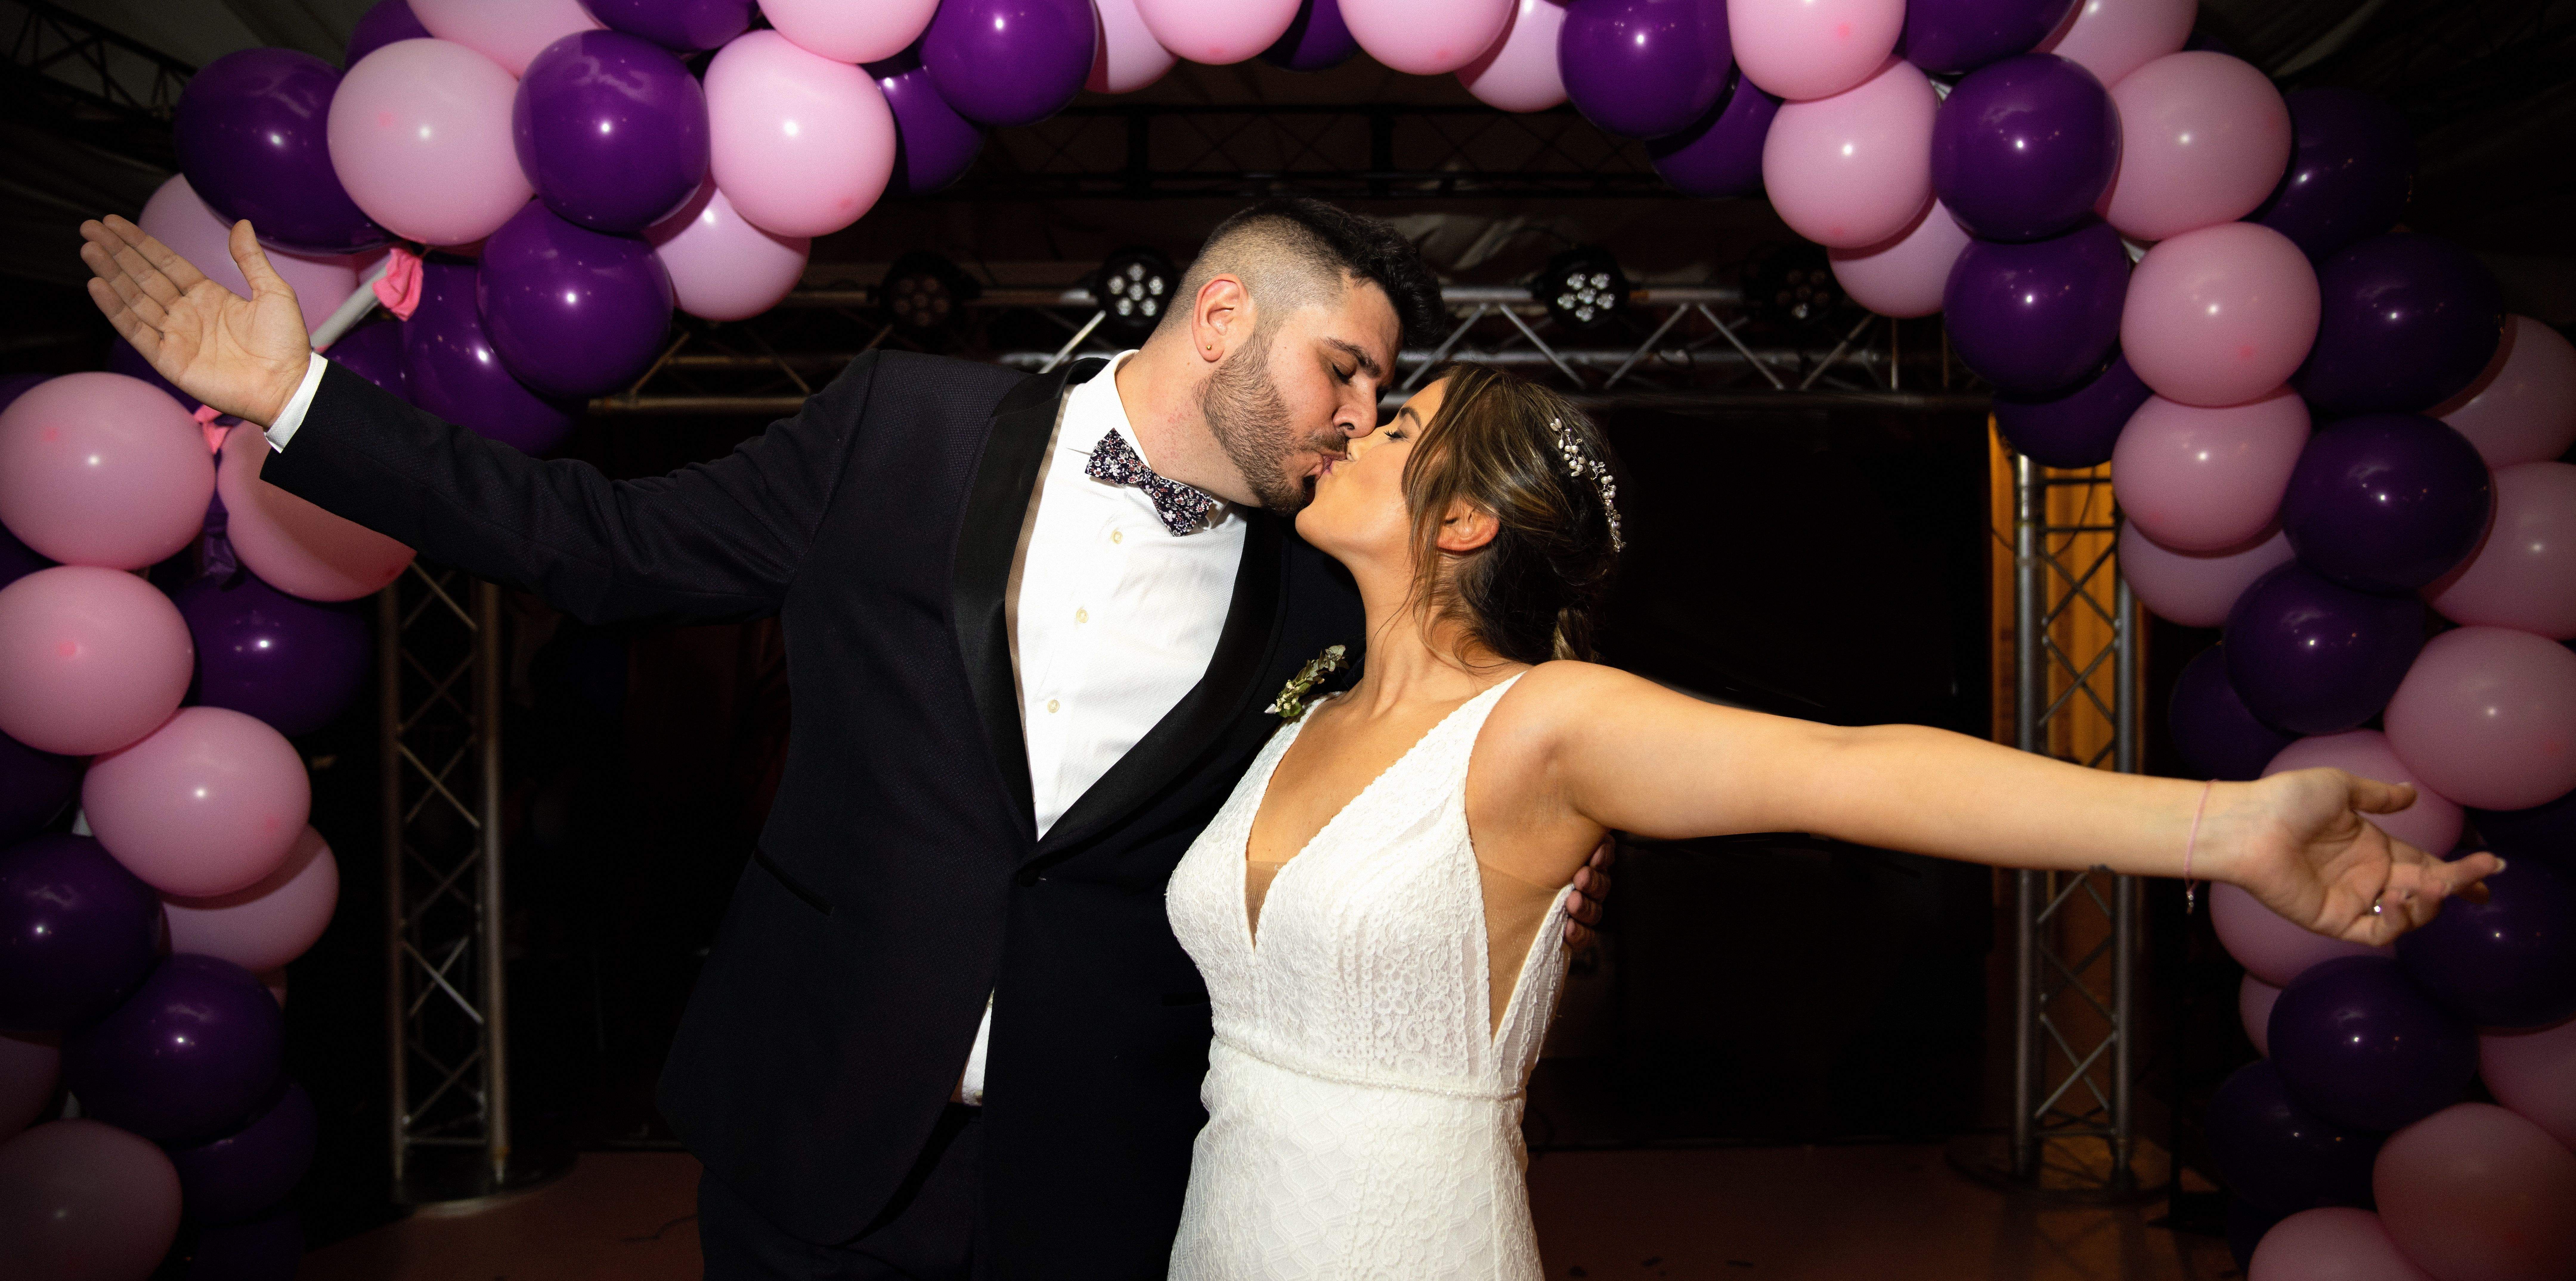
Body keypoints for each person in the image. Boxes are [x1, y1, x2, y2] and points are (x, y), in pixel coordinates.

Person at [75, 199, 1611, 1280]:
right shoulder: (906, 425)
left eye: (1379, 387)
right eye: (1343, 366)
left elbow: (1416, 773)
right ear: (1221, 319)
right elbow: (596, 540)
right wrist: (299, 395)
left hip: (1101, 1170)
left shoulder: (1313, 600)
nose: (1360, 411)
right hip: (815, 1123)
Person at [1159, 362, 2503, 1279]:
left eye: (1396, 429)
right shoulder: (1296, 717)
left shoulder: (1546, 724)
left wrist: (2227, 827)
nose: (1353, 426)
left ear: (1460, 520)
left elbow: (1854, 769)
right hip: (1226, 1224)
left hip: (1406, 1239)